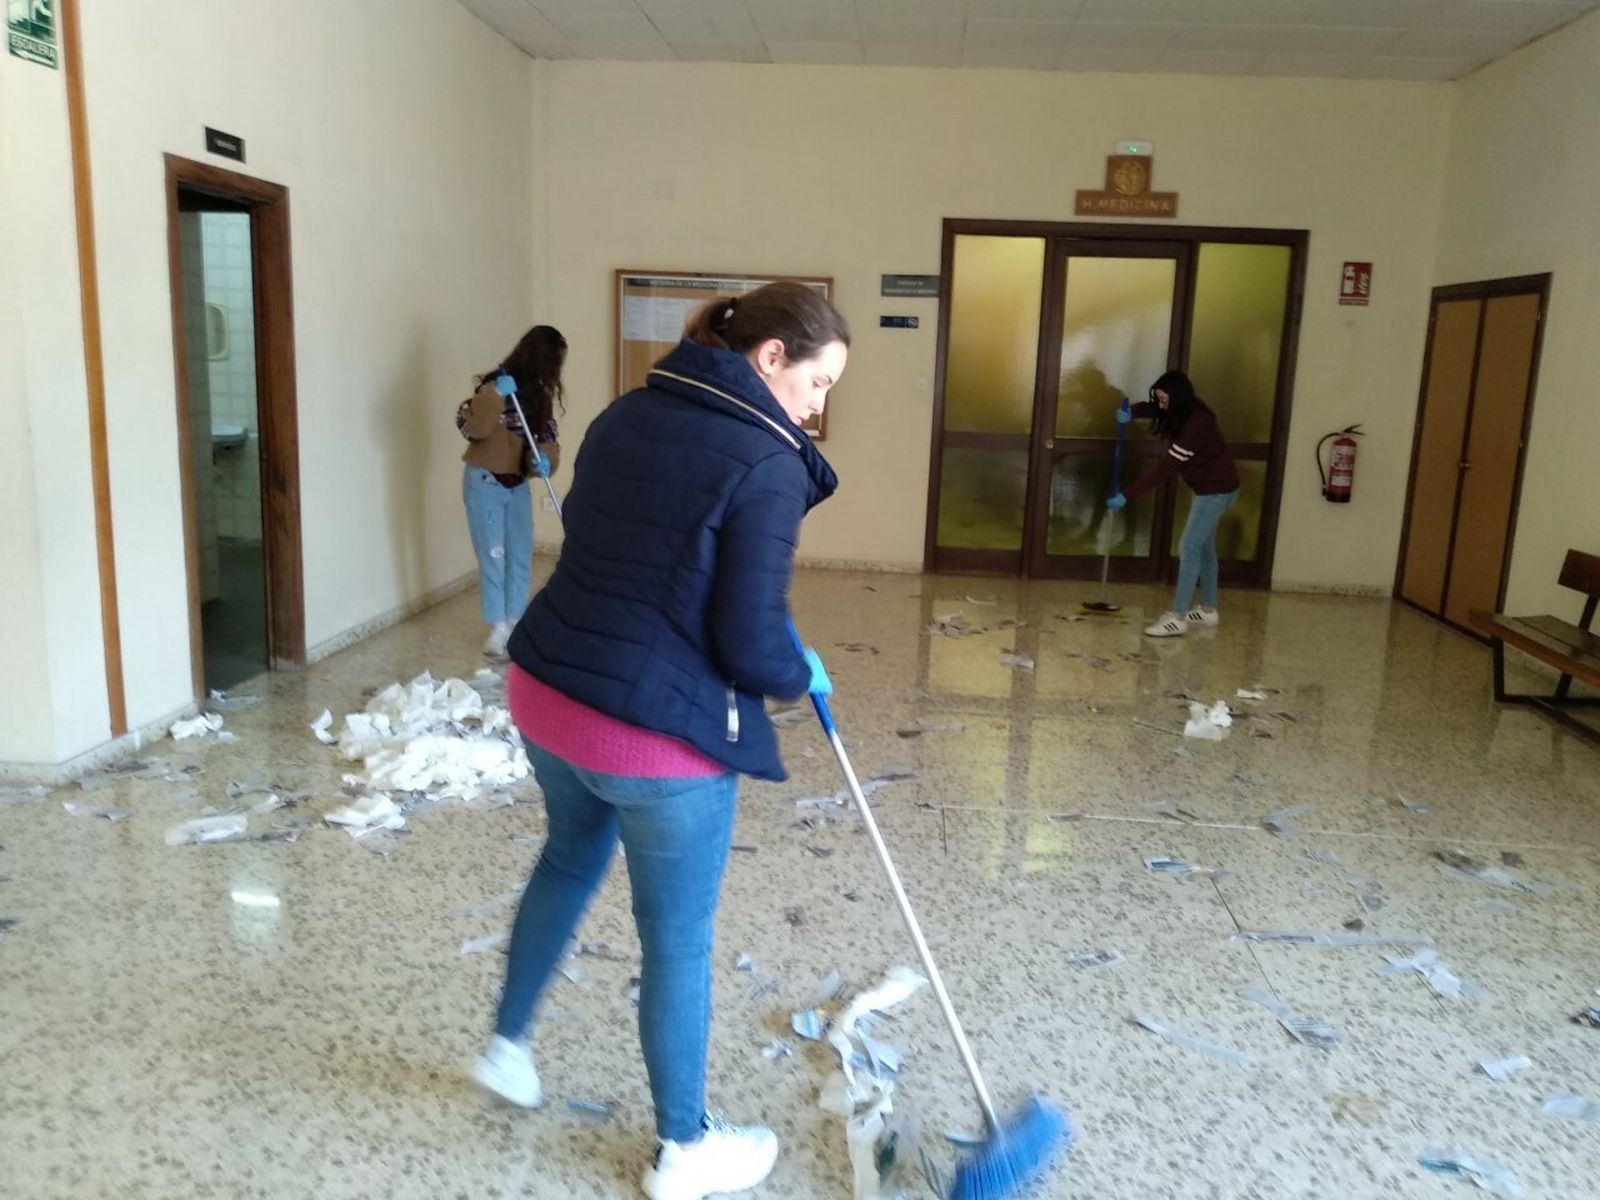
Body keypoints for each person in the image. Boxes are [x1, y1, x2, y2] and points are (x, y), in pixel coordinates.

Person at [471, 282, 849, 1200]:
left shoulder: (630, 409)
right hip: (652, 739)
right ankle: (685, 1147)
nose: (818, 404)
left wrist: (765, 632)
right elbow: (750, 642)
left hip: (548, 690)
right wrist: (799, 673)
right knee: (676, 938)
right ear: (769, 360)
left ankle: (507, 1047)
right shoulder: (768, 459)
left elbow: (645, 553)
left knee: (567, 860)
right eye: (818, 381)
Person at [458, 326, 566, 658]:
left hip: (516, 484)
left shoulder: (540, 400)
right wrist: (495, 396)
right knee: (494, 556)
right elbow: (473, 428)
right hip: (485, 483)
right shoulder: (492, 388)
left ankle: (516, 622)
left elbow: (547, 437)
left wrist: (545, 459)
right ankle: (497, 628)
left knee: (520, 555)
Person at [1108, 369, 1239, 637]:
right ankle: (1208, 609)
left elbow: (1163, 470)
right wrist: (1132, 411)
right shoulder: (1184, 409)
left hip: (1215, 492)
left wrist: (1127, 496)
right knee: (1203, 549)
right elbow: (1154, 408)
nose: (1160, 404)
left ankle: (1177, 617)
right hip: (1212, 488)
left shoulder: (1195, 425)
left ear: (1177, 398)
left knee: (1189, 546)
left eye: (1165, 399)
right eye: (1159, 398)